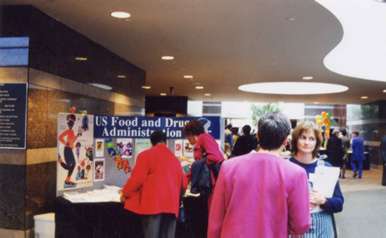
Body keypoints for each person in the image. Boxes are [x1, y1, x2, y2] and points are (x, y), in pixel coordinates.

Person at [208, 112, 310, 238]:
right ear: (285, 141)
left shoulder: (229, 167)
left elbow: (216, 219)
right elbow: (300, 225)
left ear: (257, 136)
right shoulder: (296, 174)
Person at [121, 131, 185, 238]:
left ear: (152, 142)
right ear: (166, 142)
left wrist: (125, 193)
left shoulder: (145, 155)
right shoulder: (175, 159)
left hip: (153, 205)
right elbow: (183, 184)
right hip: (172, 206)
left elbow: (136, 180)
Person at [290, 121, 344, 238]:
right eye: (303, 138)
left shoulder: (326, 167)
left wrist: (324, 201)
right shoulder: (286, 166)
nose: (306, 142)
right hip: (293, 227)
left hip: (323, 228)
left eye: (311, 139)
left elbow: (339, 203)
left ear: (317, 142)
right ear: (295, 139)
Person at [184, 120, 225, 238]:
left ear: (191, 133)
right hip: (208, 186)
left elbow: (215, 157)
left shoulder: (204, 138)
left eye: (187, 136)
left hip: (212, 185)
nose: (188, 140)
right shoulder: (203, 139)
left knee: (211, 216)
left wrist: (198, 164)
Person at [58, 114, 80, 186]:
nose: (71, 123)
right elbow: (60, 137)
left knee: (71, 165)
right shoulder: (68, 131)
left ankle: (67, 180)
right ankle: (60, 160)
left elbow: (72, 141)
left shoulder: (72, 131)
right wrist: (65, 143)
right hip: (67, 150)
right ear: (68, 122)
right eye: (70, 121)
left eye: (73, 121)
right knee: (71, 165)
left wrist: (77, 135)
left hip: (69, 149)